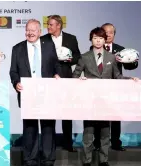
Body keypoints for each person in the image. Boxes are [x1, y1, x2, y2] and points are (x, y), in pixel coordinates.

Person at [73, 27, 138, 166]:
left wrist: (130, 79)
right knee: (88, 133)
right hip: (89, 101)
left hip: (106, 101)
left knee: (105, 133)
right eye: (95, 38)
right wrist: (80, 79)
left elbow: (117, 76)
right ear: (91, 39)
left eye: (101, 38)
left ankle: (104, 161)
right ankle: (87, 161)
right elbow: (75, 76)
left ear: (105, 40)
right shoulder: (84, 57)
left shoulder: (111, 57)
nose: (98, 41)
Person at [9, 19, 61, 166]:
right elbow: (13, 71)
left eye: (33, 30)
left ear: (39, 32)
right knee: (30, 128)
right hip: (28, 93)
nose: (30, 32)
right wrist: (16, 83)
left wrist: (57, 74)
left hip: (47, 92)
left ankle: (48, 158)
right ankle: (30, 159)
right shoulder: (17, 48)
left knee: (48, 126)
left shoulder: (49, 45)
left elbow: (56, 64)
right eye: (28, 30)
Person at [91, 23, 138, 152]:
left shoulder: (121, 49)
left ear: (114, 35)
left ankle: (116, 143)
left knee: (116, 116)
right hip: (99, 87)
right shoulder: (95, 47)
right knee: (99, 116)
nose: (108, 35)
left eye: (111, 32)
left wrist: (133, 61)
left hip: (116, 87)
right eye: (105, 32)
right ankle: (97, 143)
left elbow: (129, 66)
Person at [43, 14, 81, 152]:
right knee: (49, 113)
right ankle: (49, 144)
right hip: (49, 78)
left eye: (51, 24)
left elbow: (78, 56)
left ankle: (67, 143)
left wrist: (69, 59)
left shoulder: (71, 38)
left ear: (58, 25)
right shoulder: (43, 40)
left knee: (67, 112)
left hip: (66, 77)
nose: (48, 27)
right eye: (47, 24)